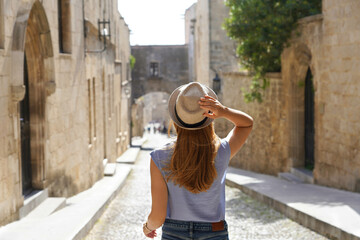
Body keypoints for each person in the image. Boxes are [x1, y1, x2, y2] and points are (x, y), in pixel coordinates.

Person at [142, 82, 253, 239]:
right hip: (215, 231)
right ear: (209, 119)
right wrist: (223, 111)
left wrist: (147, 227)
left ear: (176, 119)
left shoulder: (159, 157)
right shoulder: (221, 151)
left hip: (174, 233)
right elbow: (246, 124)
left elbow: (158, 217)